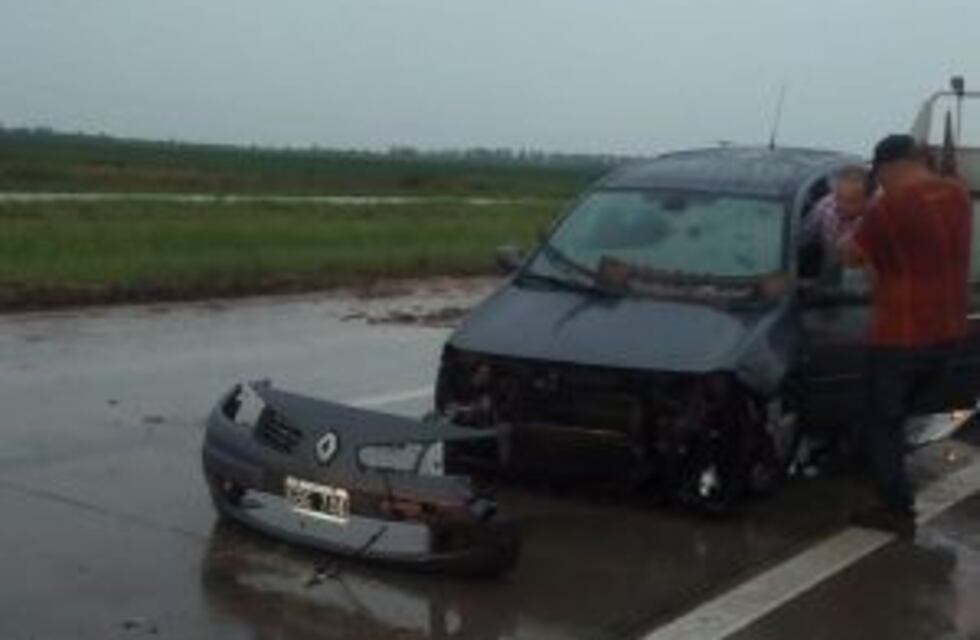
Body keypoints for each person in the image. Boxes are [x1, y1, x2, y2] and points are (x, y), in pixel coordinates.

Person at [839, 134, 972, 535]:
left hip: (901, 335)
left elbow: (850, 254)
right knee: (901, 416)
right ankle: (880, 473)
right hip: (949, 331)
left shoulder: (889, 208)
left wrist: (856, 215)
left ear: (888, 168)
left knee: (883, 421)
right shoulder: (958, 195)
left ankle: (895, 508)